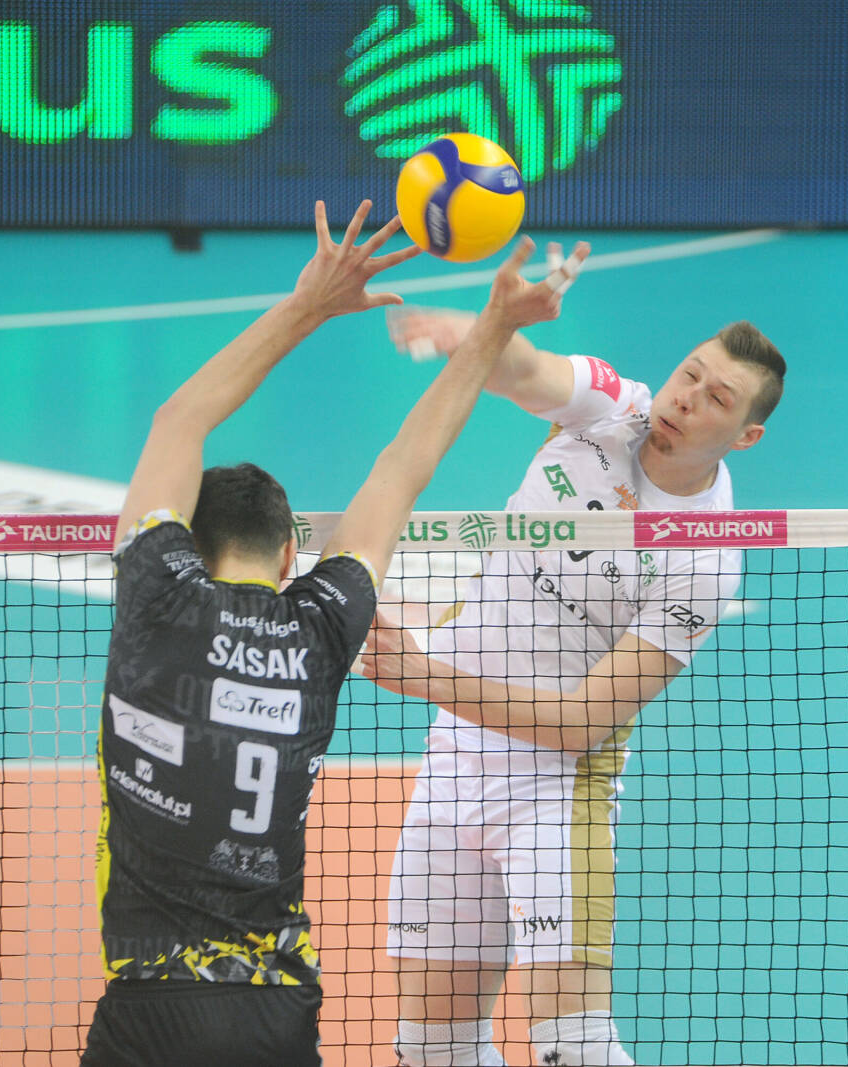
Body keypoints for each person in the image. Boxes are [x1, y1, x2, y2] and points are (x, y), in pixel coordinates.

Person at [82, 200, 590, 1067]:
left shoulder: (154, 592)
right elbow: (403, 466)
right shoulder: (322, 626)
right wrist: (493, 328)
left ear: (183, 538)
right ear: (291, 555)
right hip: (274, 1013)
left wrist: (308, 302)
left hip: (146, 1008)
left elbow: (178, 419)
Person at [361, 280, 786, 1067]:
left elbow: (583, 722)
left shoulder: (705, 558)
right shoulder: (613, 404)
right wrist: (482, 330)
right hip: (452, 764)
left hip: (557, 791)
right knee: (431, 1051)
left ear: (746, 434)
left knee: (574, 1050)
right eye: (690, 374)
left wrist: (425, 677)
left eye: (717, 398)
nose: (686, 398)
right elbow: (527, 370)